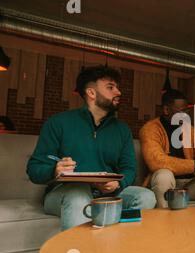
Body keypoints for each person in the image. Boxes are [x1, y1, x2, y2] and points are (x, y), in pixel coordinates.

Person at [27, 66, 156, 231]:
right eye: (110, 87)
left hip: (108, 194)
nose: (118, 92)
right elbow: (34, 169)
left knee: (146, 196)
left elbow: (129, 168)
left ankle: (124, 250)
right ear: (91, 93)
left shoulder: (122, 129)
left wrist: (118, 184)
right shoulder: (58, 123)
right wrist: (54, 170)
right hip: (64, 193)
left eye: (117, 87)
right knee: (78, 194)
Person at [139, 89, 195, 209]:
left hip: (189, 185)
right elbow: (156, 162)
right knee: (164, 175)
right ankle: (164, 225)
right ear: (166, 110)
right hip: (165, 183)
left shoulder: (189, 129)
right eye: (182, 111)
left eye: (187, 110)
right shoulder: (150, 129)